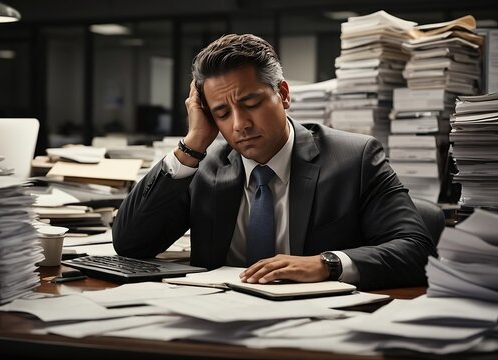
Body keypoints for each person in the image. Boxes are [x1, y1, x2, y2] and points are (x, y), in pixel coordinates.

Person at [112, 33, 436, 290]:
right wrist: (194, 142)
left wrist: (327, 264)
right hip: (218, 323)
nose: (239, 124)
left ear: (282, 94)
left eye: (250, 103)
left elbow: (416, 249)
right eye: (222, 113)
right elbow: (130, 243)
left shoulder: (355, 158)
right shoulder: (204, 165)